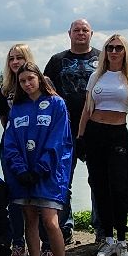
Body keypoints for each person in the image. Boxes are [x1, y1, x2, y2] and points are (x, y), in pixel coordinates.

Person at [2, 65, 74, 256]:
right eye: (22, 81)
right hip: (24, 175)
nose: (27, 84)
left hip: (48, 173)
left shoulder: (56, 104)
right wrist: (20, 169)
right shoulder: (18, 108)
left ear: (39, 79)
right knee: (29, 220)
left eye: (30, 79)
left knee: (51, 221)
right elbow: (10, 140)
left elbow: (58, 139)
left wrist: (42, 167)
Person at [76, 33, 128, 256]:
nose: (114, 52)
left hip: (117, 133)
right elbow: (86, 108)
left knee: (119, 187)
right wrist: (80, 137)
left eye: (119, 48)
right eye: (110, 48)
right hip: (95, 132)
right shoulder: (97, 76)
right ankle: (107, 239)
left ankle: (123, 242)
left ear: (125, 51)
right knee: (99, 185)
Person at [44, 19, 99, 235]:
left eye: (85, 30)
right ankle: (64, 226)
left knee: (98, 179)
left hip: (96, 128)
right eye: (77, 30)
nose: (81, 33)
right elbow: (46, 92)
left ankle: (100, 226)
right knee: (63, 180)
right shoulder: (57, 61)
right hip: (65, 130)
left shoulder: (102, 57)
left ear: (91, 33)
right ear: (69, 34)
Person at [0, 43, 37, 256]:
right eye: (11, 58)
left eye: (19, 57)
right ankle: (18, 244)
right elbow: (5, 120)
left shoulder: (39, 82)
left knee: (40, 199)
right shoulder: (6, 89)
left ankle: (45, 248)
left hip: (36, 148)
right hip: (12, 148)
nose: (15, 62)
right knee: (15, 198)